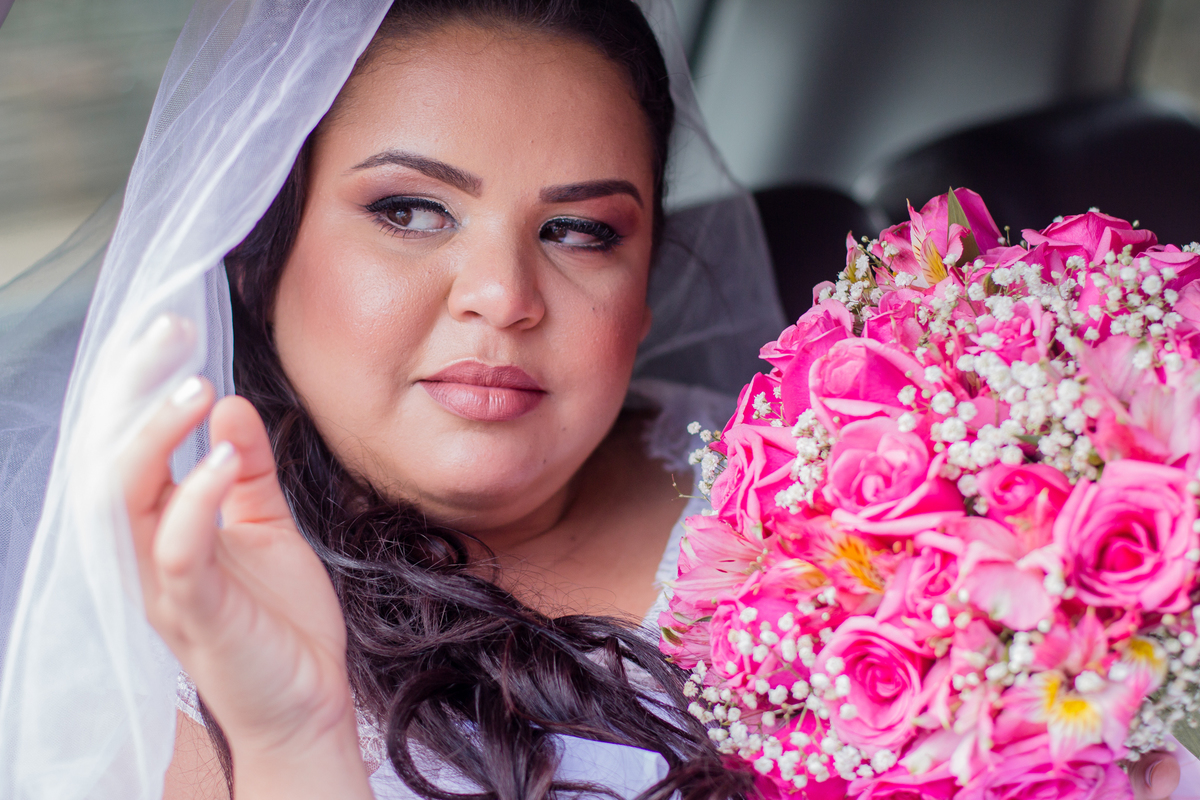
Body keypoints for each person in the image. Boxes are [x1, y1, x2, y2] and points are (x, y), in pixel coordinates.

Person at [0, 1, 1186, 799]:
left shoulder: (867, 488)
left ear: (650, 275)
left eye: (578, 230)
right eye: (410, 209)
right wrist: (291, 737)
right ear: (264, 244)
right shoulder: (166, 615)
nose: (504, 296)